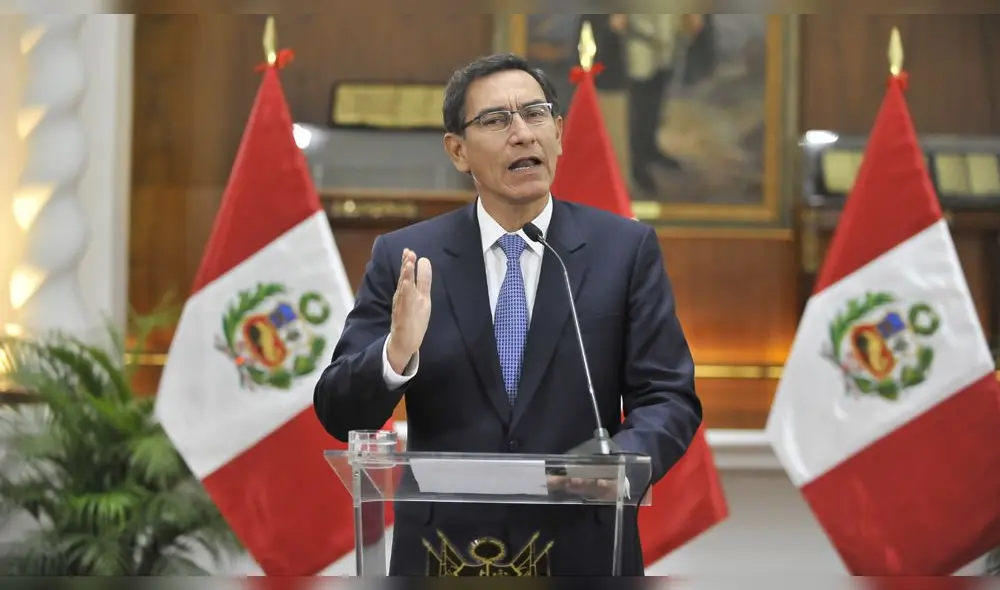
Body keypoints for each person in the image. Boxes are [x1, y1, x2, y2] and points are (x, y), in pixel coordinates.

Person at [313, 53, 702, 577]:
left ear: (559, 133)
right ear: (457, 151)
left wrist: (615, 466)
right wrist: (394, 353)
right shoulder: (407, 258)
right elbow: (340, 412)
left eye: (536, 114)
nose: (522, 134)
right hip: (443, 556)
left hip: (582, 551)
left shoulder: (623, 251)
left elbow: (668, 397)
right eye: (496, 120)